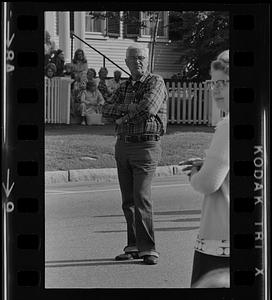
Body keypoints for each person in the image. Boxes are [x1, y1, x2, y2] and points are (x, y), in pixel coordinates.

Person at [102, 45, 168, 265]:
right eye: (134, 59)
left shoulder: (155, 81)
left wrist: (122, 118)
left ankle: (149, 249)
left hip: (146, 147)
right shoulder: (124, 86)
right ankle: (133, 246)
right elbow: (106, 110)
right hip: (123, 146)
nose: (138, 62)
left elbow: (148, 108)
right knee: (128, 200)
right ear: (127, 61)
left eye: (142, 58)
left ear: (147, 60)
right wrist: (128, 110)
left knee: (141, 197)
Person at [180, 50, 230, 287]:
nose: (216, 89)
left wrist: (194, 174)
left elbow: (208, 183)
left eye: (224, 83)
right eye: (213, 82)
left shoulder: (229, 125)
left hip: (220, 239)